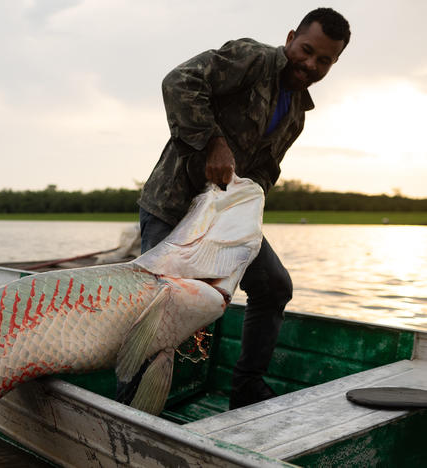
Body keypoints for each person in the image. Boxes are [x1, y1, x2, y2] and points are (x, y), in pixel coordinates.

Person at [134, 8, 351, 410]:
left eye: (324, 60)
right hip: (173, 207)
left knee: (274, 285)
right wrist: (212, 141)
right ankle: (130, 405)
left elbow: (267, 170)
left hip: (226, 220)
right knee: (160, 309)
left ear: (334, 63)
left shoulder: (298, 112)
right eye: (306, 50)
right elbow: (179, 81)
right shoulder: (251, 59)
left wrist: (247, 203)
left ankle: (247, 387)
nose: (311, 63)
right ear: (290, 39)